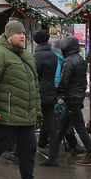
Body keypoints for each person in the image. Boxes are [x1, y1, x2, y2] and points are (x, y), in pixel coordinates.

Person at [0, 20, 49, 179]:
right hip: (6, 114)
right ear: (9, 36)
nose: (22, 36)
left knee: (29, 149)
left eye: (24, 33)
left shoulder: (27, 56)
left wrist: (37, 111)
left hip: (26, 115)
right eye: (19, 33)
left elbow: (34, 86)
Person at [41, 35, 91, 166]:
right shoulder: (80, 59)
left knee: (79, 127)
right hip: (76, 97)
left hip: (71, 98)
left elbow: (64, 81)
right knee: (62, 126)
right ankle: (52, 150)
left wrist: (56, 94)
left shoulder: (69, 61)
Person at [32, 29, 58, 157]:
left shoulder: (38, 56)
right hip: (50, 91)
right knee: (50, 123)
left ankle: (19, 153)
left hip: (39, 92)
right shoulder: (52, 54)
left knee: (29, 121)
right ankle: (53, 153)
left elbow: (34, 74)